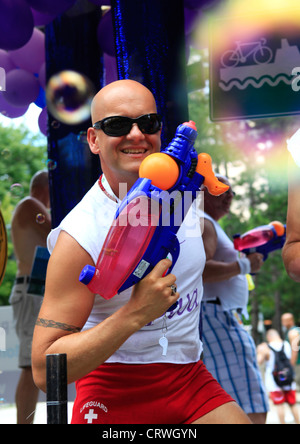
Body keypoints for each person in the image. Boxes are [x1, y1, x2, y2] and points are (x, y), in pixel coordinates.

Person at [32, 79, 251, 424]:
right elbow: (46, 370)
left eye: (147, 123)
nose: (136, 135)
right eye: (118, 125)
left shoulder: (182, 190)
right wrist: (134, 313)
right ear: (94, 139)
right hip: (113, 391)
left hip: (189, 381)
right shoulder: (79, 235)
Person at [200, 175, 269, 424]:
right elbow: (200, 270)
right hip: (217, 314)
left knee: (238, 391)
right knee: (246, 394)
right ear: (203, 193)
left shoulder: (209, 224)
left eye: (232, 192)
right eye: (222, 190)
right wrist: (243, 266)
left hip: (222, 314)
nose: (230, 196)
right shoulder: (204, 223)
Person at [9, 170, 51, 424]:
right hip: (30, 290)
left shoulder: (34, 208)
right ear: (46, 187)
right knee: (29, 364)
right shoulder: (30, 204)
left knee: (36, 363)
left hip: (37, 290)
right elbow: (58, 231)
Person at [257, 329, 299, 424]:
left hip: (274, 382)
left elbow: (259, 361)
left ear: (268, 337)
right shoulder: (287, 344)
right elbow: (292, 359)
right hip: (288, 380)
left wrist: (260, 351)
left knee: (279, 405)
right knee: (292, 404)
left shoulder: (266, 348)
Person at [281, 313, 300, 390]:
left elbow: (294, 350)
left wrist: (290, 365)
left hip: (297, 364)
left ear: (291, 321)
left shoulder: (293, 333)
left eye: (284, 321)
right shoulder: (296, 330)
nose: (283, 323)